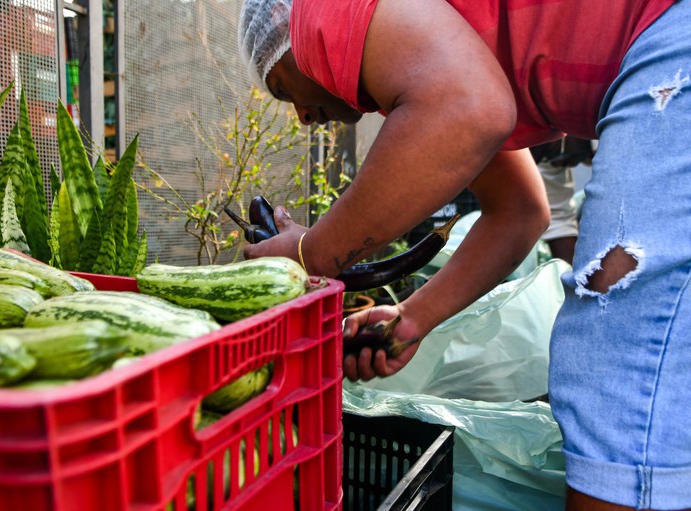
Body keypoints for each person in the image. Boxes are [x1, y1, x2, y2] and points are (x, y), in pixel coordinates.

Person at [237, 1, 691, 509]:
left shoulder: (323, 10)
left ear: (300, 42)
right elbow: (519, 212)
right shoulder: (429, 65)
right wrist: (412, 318)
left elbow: (471, 108)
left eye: (282, 87)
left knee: (613, 374)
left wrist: (310, 254)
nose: (300, 116)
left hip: (670, 45)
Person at [531, 136, 595, 264]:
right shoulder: (546, 144)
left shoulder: (628, 132)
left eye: (551, 153)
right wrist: (570, 276)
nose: (553, 161)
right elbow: (557, 217)